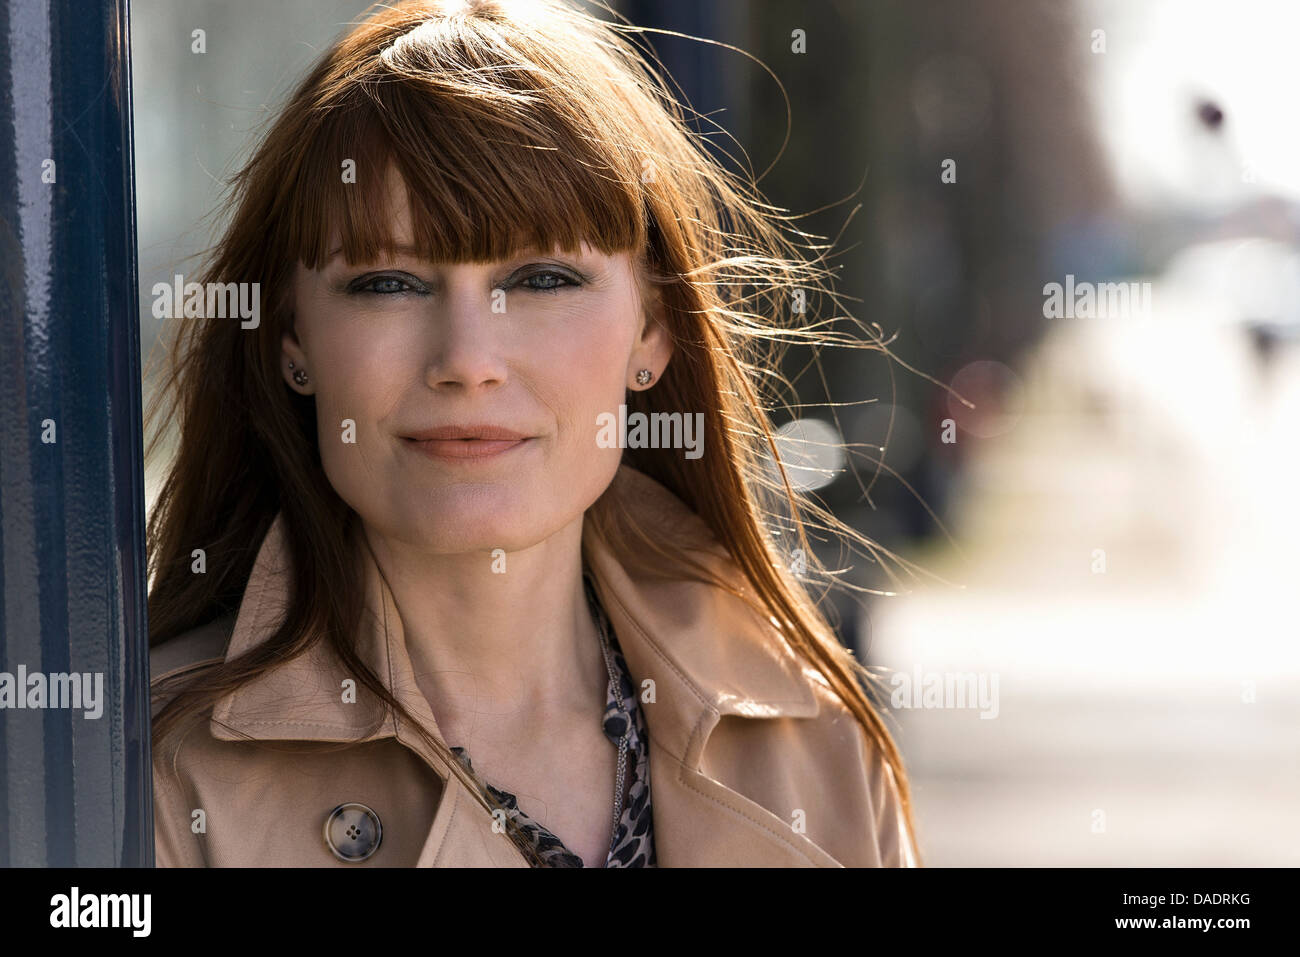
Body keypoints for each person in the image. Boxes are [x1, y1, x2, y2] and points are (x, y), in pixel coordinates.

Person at [148, 0, 921, 867]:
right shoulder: (157, 775)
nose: (468, 360)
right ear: (293, 338)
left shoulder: (818, 746)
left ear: (651, 330)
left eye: (543, 277)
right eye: (389, 284)